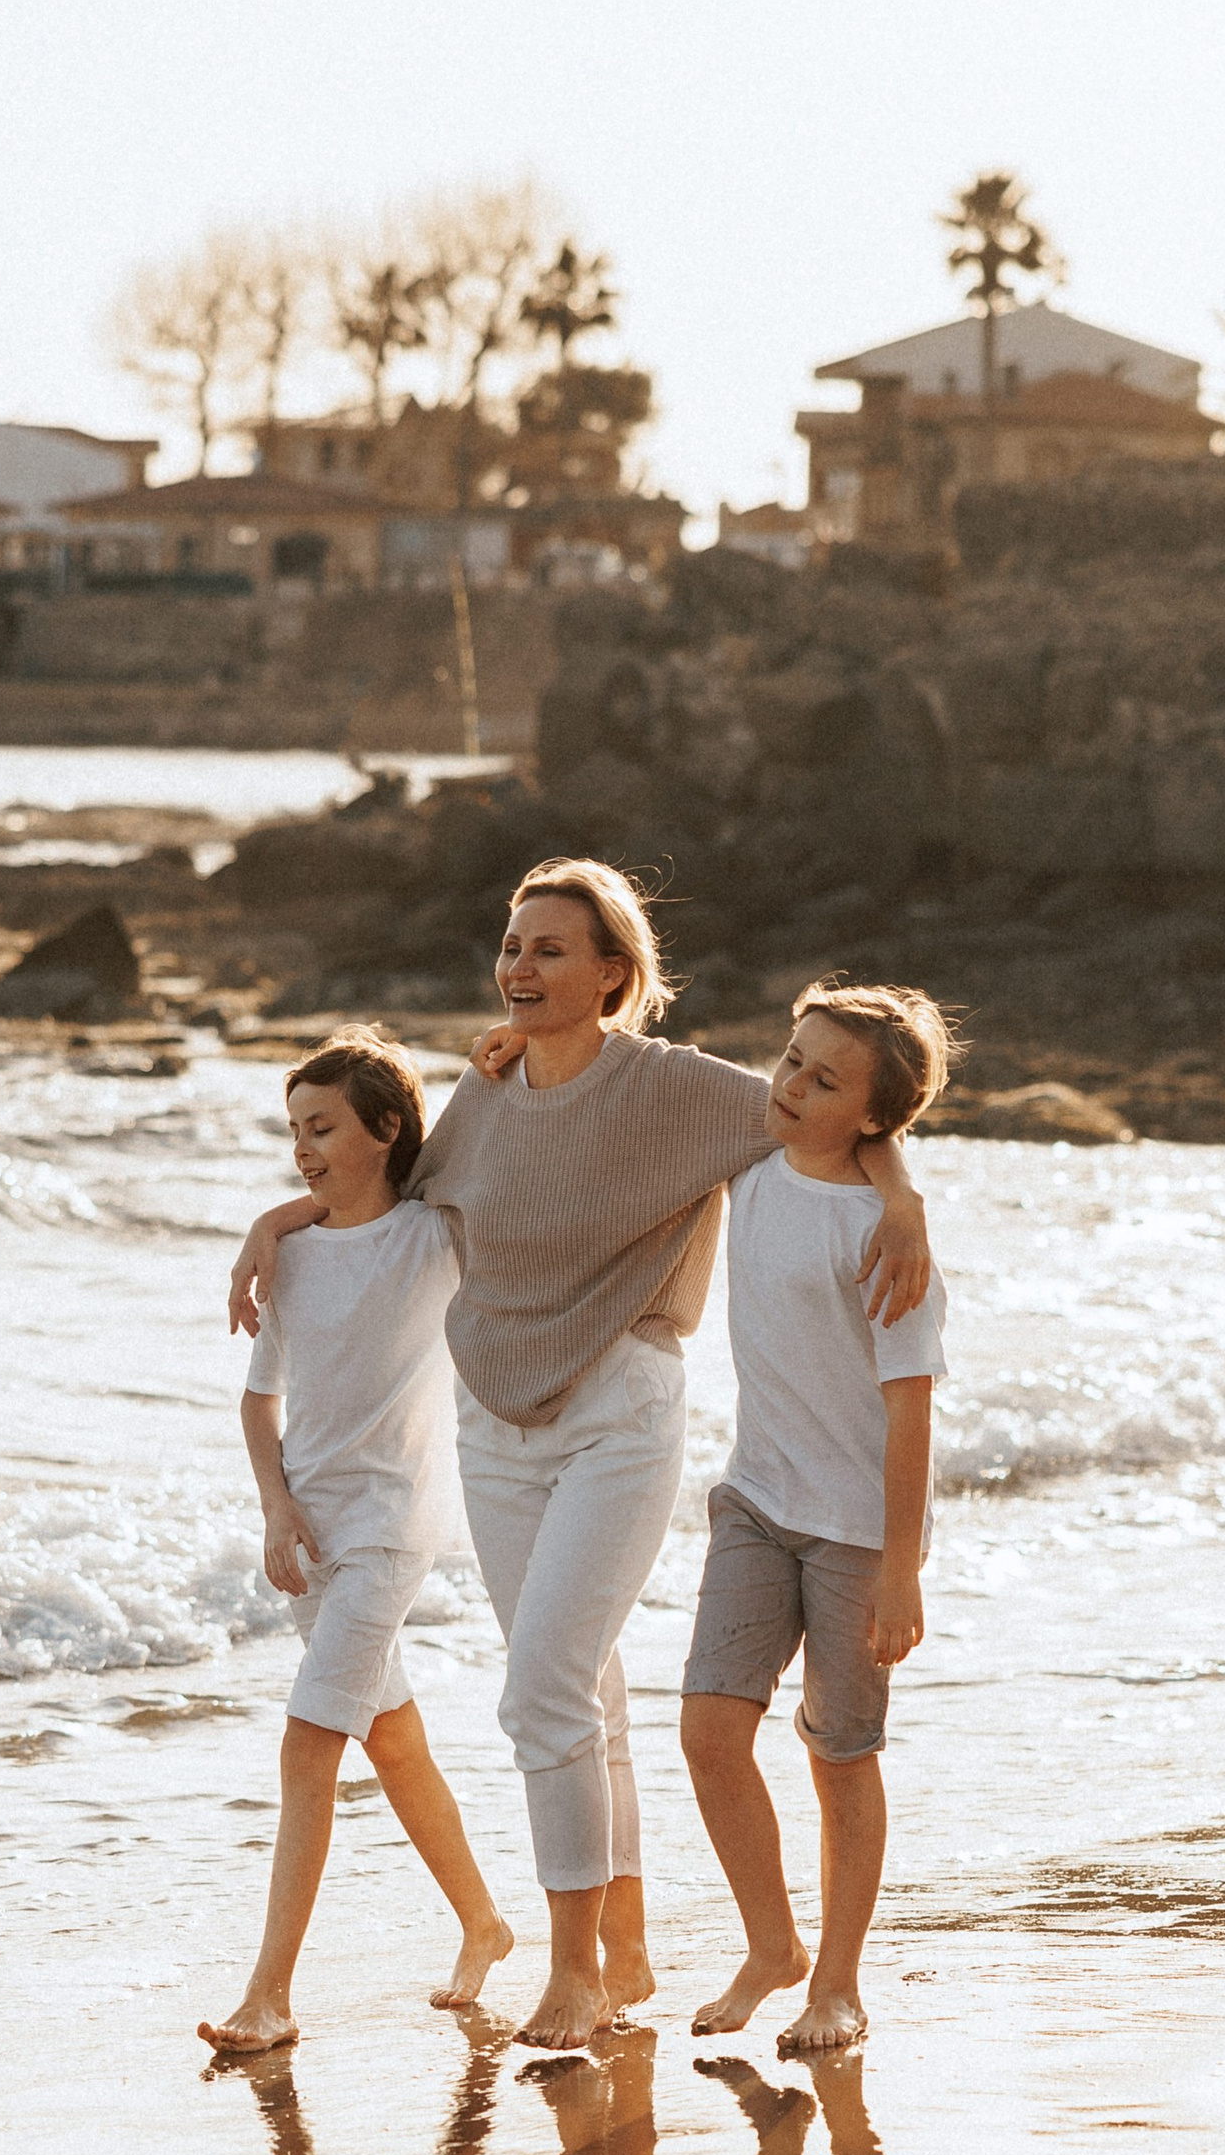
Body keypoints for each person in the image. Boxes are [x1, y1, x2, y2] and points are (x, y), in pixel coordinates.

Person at [232, 862, 932, 2053]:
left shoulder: (675, 1089)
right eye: (511, 945)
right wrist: (272, 1222)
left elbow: (819, 1120)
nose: (519, 968)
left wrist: (902, 1191)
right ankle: (625, 1939)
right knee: (585, 1686)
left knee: (540, 1689)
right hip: (493, 1426)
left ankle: (570, 1976)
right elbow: (390, 1191)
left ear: (614, 974)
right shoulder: (487, 1091)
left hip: (620, 1407)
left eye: (550, 950)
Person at [198, 1035, 515, 2056]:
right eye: (292, 1130)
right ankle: (484, 1923)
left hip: (390, 1529)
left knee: (307, 1745)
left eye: (321, 1127)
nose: (301, 1149)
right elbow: (260, 1403)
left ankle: (270, 1996)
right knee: (393, 1739)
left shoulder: (432, 1238)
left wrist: (493, 1060)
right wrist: (275, 1509)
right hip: (314, 1533)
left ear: (384, 1130)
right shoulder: (287, 1256)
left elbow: (487, 1135)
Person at [679, 981, 950, 2057]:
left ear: (875, 1117)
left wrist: (901, 1569)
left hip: (853, 1533)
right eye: (790, 1058)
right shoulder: (751, 1163)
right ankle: (770, 1944)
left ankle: (835, 1982)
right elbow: (629, 1077)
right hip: (753, 1500)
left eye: (822, 1079)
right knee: (708, 1733)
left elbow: (910, 1417)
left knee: (840, 1756)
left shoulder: (892, 1246)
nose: (789, 1085)